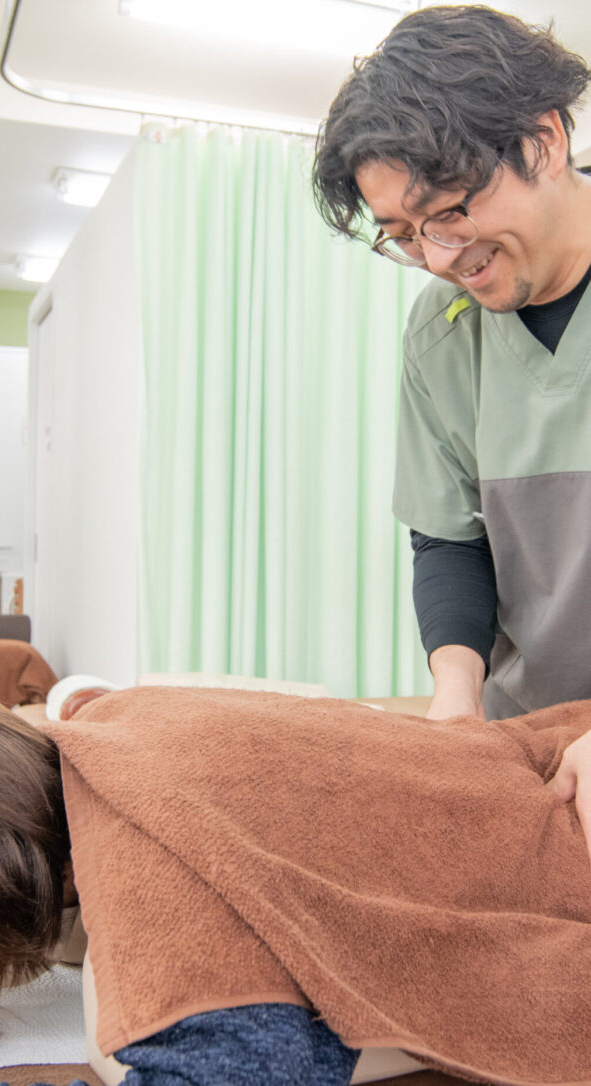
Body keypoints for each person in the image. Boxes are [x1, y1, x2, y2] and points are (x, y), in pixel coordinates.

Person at [0, 679, 591, 1086]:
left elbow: (229, 1069)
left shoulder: (143, 880)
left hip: (566, 858)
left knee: (111, 1046)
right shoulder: (122, 717)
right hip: (553, 753)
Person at [312, 5, 591, 723]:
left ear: (544, 141)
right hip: (525, 733)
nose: (438, 259)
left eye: (447, 213)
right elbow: (447, 537)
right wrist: (457, 698)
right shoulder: (441, 332)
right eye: (403, 236)